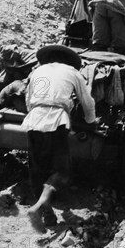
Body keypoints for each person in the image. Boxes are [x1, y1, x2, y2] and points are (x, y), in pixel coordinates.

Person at [22, 45, 96, 233]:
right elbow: (87, 101)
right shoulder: (72, 72)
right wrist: (90, 121)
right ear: (69, 61)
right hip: (56, 120)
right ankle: (39, 207)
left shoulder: (36, 71)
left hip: (34, 119)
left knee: (37, 168)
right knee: (62, 171)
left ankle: (48, 215)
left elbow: (28, 100)